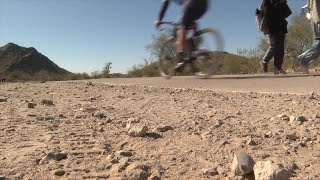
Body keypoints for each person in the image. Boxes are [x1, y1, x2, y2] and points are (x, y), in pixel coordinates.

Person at [155, 0, 208, 71]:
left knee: (181, 28)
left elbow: (165, 4)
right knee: (191, 23)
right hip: (204, 5)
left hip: (191, 3)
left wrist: (159, 20)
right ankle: (196, 49)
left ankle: (181, 60)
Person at [257, 0, 292, 75]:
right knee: (274, 46)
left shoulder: (281, 1)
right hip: (270, 27)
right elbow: (267, 12)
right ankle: (264, 61)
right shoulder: (266, 1)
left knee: (281, 49)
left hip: (281, 26)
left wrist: (284, 3)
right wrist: (279, 4)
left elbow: (287, 13)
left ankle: (278, 68)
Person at [298, 0, 320, 74]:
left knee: (318, 43)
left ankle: (304, 61)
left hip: (316, 20)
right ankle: (304, 58)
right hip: (317, 20)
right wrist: (318, 22)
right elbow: (315, 8)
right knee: (319, 43)